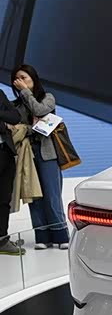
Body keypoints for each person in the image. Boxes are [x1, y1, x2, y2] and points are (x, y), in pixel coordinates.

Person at [11, 64, 70, 250]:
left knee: (52, 194)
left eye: (24, 77)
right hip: (26, 154)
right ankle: (42, 236)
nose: (21, 81)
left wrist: (26, 93)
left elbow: (39, 111)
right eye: (17, 79)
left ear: (33, 79)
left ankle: (61, 234)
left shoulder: (48, 98)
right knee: (34, 196)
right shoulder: (15, 105)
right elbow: (17, 128)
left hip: (47, 153)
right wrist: (31, 127)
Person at [0, 89, 22, 256]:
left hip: (5, 152)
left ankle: (2, 239)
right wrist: (3, 124)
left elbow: (15, 117)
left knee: (4, 199)